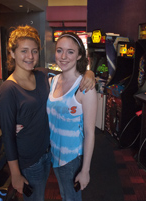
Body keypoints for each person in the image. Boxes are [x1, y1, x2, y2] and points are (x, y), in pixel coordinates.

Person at [0, 26, 95, 201]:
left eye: (34, 51)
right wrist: (15, 173)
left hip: (49, 152)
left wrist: (89, 72)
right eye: (24, 51)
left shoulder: (42, 75)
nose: (30, 56)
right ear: (12, 53)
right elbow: (8, 136)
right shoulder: (8, 89)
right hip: (29, 158)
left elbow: (70, 74)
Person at [47, 32, 97, 201]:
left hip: (72, 158)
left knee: (72, 198)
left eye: (70, 51)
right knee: (64, 195)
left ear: (79, 55)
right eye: (59, 50)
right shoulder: (51, 82)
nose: (63, 56)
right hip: (54, 153)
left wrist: (85, 170)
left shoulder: (85, 87)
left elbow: (90, 133)